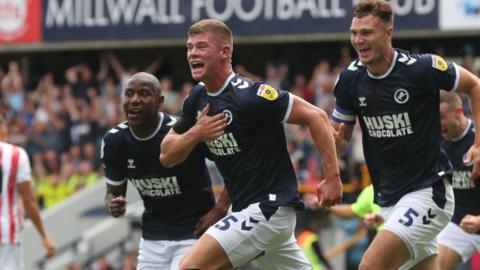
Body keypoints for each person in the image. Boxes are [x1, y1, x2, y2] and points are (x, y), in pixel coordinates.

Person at [160, 19, 343, 269]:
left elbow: (317, 116)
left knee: (189, 266)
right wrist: (197, 134)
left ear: (225, 52)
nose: (192, 53)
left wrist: (332, 177)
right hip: (249, 210)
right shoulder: (196, 99)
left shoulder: (251, 96)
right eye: (189, 47)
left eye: (201, 46)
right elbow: (167, 155)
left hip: (270, 207)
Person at [331, 0, 480, 269]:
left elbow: (475, 86)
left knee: (369, 266)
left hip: (428, 192)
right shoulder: (349, 80)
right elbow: (340, 144)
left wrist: (479, 144)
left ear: (388, 32)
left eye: (366, 33)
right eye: (354, 33)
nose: (358, 40)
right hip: (389, 200)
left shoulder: (420, 69)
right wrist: (331, 143)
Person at [101, 72, 230, 269]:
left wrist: (221, 208)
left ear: (160, 101)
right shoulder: (114, 141)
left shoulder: (184, 131)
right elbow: (113, 193)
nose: (134, 100)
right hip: (152, 238)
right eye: (129, 94)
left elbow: (236, 165)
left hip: (195, 233)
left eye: (143, 94)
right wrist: (113, 204)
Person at [0, 116, 56, 269]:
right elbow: (29, 199)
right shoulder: (16, 155)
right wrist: (44, 235)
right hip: (6, 233)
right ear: (3, 131)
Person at [437, 91, 480, 270]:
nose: (437, 125)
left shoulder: (477, 139)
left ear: (459, 111)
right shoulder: (437, 143)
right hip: (460, 226)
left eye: (442, 117)